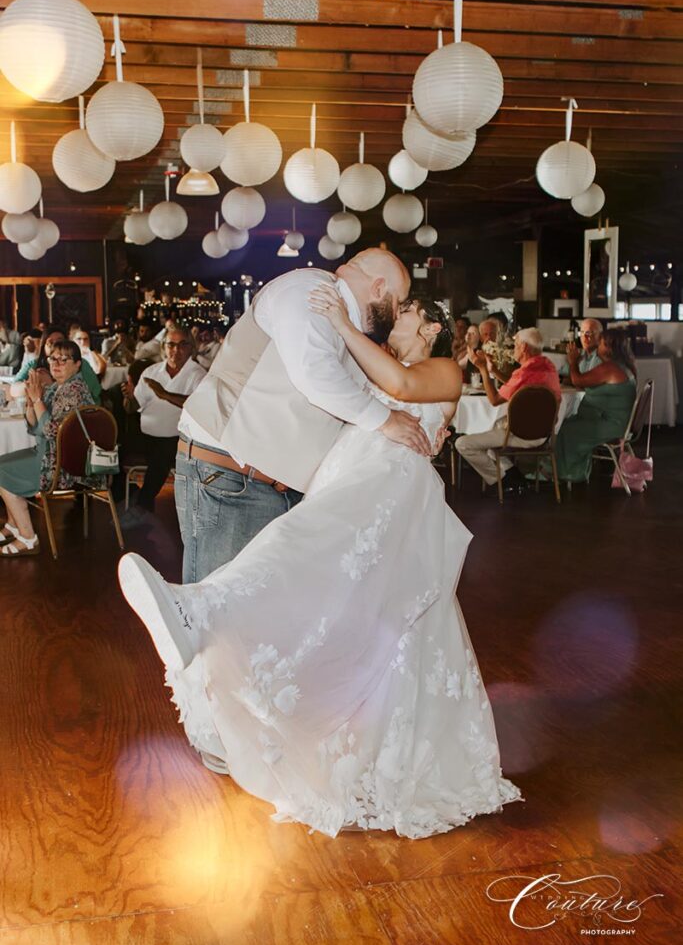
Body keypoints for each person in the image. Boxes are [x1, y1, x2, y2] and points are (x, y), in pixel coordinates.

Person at [118, 286, 523, 839]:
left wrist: (341, 322)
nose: (391, 320)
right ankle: (349, 747)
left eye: (403, 312)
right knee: (353, 617)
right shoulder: (380, 371)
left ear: (430, 326)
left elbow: (401, 386)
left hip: (387, 491)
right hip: (348, 485)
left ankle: (201, 609)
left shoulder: (442, 370)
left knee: (296, 555)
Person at [176, 248, 432, 584]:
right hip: (231, 477)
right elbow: (315, 374)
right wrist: (386, 421)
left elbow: (350, 408)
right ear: (379, 288)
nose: (397, 314)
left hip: (270, 488)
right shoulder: (309, 290)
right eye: (399, 303)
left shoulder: (348, 329)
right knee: (215, 613)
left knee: (253, 617)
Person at [0, 340, 96, 556]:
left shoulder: (74, 390)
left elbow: (53, 432)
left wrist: (36, 399)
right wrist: (31, 400)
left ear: (78, 364)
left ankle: (28, 537)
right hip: (50, 454)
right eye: (53, 358)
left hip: (64, 464)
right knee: (2, 463)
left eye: (64, 359)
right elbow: (35, 429)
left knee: (1, 472)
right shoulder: (56, 387)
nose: (57, 363)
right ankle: (14, 525)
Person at [455, 327, 561, 494]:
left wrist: (482, 369)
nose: (514, 350)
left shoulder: (524, 372)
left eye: (516, 345)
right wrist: (493, 370)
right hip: (544, 434)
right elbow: (517, 386)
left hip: (521, 435)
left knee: (462, 444)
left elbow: (495, 400)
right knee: (492, 432)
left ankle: (503, 481)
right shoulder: (548, 367)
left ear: (524, 347)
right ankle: (515, 476)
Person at [122, 327, 205, 521]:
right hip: (146, 435)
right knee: (113, 450)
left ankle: (143, 505)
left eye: (182, 344)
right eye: (171, 344)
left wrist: (164, 394)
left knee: (164, 451)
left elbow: (198, 405)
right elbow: (131, 408)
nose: (176, 350)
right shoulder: (151, 372)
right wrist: (127, 397)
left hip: (178, 439)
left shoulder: (198, 374)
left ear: (191, 348)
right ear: (164, 347)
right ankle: (129, 493)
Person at [554, 328, 637, 483]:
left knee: (565, 428)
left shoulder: (610, 368)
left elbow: (578, 380)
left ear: (610, 347)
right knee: (569, 422)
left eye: (601, 344)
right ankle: (571, 469)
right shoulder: (625, 365)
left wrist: (573, 362)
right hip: (619, 423)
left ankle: (569, 473)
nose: (598, 346)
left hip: (610, 425)